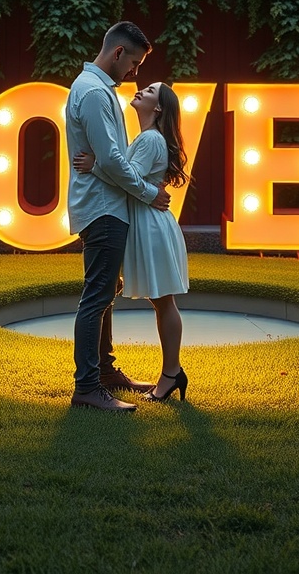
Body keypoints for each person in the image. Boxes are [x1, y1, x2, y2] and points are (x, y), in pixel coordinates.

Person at [66, 22, 171, 412]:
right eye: (135, 63)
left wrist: (102, 165)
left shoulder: (96, 89)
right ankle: (88, 387)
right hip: (103, 209)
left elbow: (108, 158)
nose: (135, 73)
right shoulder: (93, 92)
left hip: (105, 205)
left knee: (103, 295)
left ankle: (105, 372)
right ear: (117, 54)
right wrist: (148, 193)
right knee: (95, 298)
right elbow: (111, 159)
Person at [74, 82, 189, 403]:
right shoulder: (146, 138)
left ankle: (171, 374)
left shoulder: (150, 139)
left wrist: (95, 165)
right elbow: (130, 175)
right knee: (150, 298)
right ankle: (159, 372)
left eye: (150, 91)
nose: (141, 91)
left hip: (149, 227)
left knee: (163, 300)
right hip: (144, 223)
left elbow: (130, 179)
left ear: (159, 108)